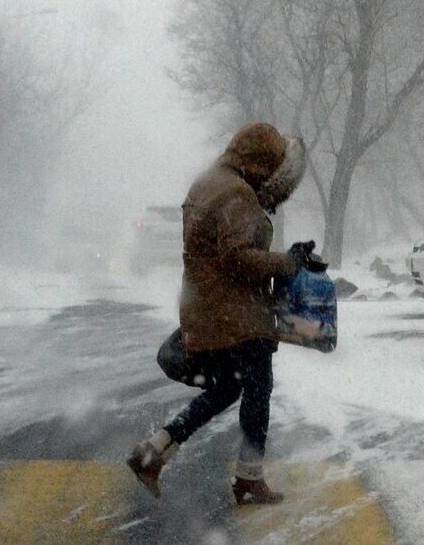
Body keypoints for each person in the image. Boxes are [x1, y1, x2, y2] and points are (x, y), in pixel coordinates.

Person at [127, 122, 310, 506]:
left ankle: (155, 451)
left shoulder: (210, 182)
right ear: (262, 162)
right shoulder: (236, 194)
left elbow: (223, 250)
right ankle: (249, 479)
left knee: (228, 386)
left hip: (210, 309)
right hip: (237, 317)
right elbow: (237, 258)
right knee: (257, 390)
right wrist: (286, 262)